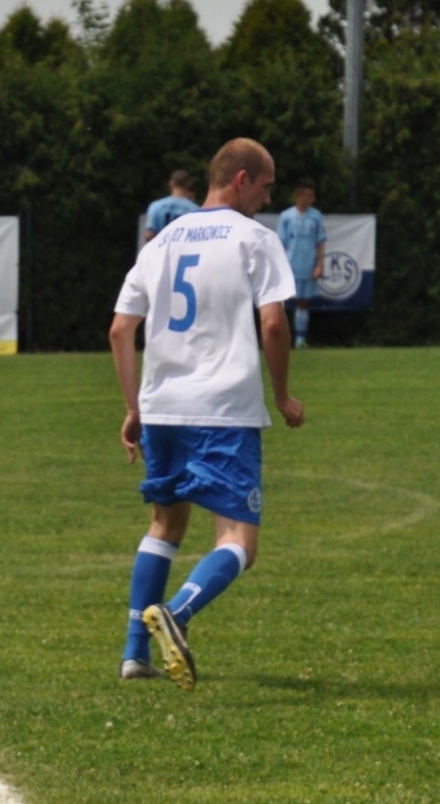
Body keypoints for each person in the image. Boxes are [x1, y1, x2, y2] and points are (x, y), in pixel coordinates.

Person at [108, 138, 304, 689]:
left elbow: (121, 329)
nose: (268, 199)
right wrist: (284, 396)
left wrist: (134, 406)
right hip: (223, 409)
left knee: (165, 525)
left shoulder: (161, 241)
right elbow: (272, 323)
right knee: (239, 541)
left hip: (164, 406)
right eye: (266, 186)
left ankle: (133, 653)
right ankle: (178, 613)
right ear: (241, 178)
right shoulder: (254, 239)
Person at [276, 179, 326, 347]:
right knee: (281, 301)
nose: (312, 199)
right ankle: (279, 337)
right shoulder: (286, 216)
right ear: (299, 196)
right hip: (290, 265)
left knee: (303, 301)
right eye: (309, 195)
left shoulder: (316, 216)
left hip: (308, 266)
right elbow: (280, 243)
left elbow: (320, 241)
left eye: (313, 196)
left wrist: (320, 264)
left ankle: (300, 339)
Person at [143, 170, 198, 242]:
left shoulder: (156, 206)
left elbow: (149, 234)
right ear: (188, 184)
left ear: (171, 184)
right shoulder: (195, 210)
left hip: (161, 251)